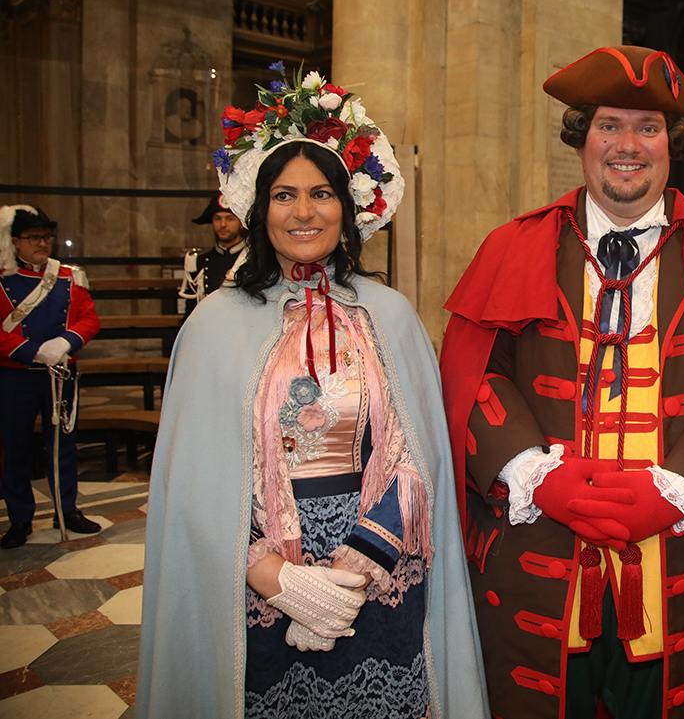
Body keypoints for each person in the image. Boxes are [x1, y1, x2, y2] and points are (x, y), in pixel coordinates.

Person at [441, 45, 684, 719]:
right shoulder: (511, 247)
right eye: (609, 124)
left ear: (673, 143)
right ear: (581, 137)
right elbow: (472, 376)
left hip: (680, 577)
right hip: (539, 572)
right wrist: (534, 474)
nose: (628, 145)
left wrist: (679, 488)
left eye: (648, 128)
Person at [137, 67, 488, 719]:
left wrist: (357, 566)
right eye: (285, 195)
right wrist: (277, 577)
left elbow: (419, 460)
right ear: (258, 207)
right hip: (262, 590)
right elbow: (195, 487)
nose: (304, 212)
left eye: (322, 193)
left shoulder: (390, 314)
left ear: (347, 205)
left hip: (381, 580)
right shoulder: (213, 325)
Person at [0, 205, 101, 549]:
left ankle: (66, 508)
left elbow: (89, 319)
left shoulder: (69, 276)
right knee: (14, 447)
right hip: (17, 375)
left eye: (46, 236)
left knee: (63, 445)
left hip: (61, 372)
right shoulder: (3, 279)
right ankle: (19, 517)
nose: (42, 243)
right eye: (33, 238)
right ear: (15, 242)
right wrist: (33, 351)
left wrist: (66, 341)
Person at [179, 191, 247, 314]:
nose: (223, 224)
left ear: (241, 223)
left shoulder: (252, 260)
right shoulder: (198, 262)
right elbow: (190, 313)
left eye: (229, 219)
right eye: (217, 219)